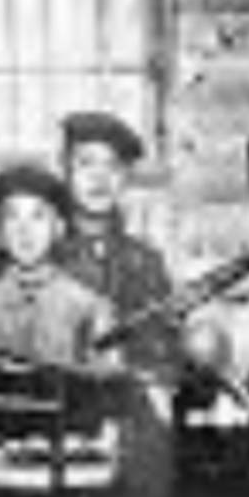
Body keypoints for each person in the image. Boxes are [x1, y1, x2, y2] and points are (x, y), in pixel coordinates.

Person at [0, 164, 115, 368]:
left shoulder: (87, 306)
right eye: (12, 217)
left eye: (38, 216)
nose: (25, 230)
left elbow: (107, 377)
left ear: (58, 228)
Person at [55, 111, 176, 370]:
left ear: (125, 178)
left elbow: (164, 351)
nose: (99, 178)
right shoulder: (45, 259)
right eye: (86, 163)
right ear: (65, 170)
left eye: (113, 166)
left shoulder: (146, 262)